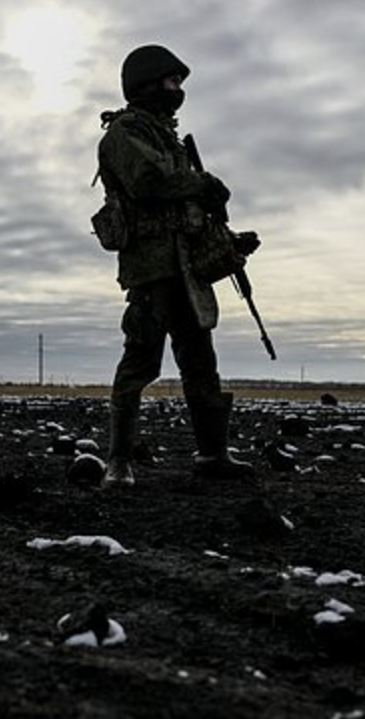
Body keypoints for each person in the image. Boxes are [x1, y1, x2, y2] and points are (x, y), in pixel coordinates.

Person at [94, 43, 258, 488]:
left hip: (187, 270)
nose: (178, 89)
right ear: (147, 83)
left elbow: (183, 204)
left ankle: (212, 455)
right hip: (152, 270)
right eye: (171, 81)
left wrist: (224, 239)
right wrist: (203, 184)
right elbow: (149, 182)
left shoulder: (167, 137)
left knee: (201, 363)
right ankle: (118, 461)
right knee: (140, 362)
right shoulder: (124, 133)